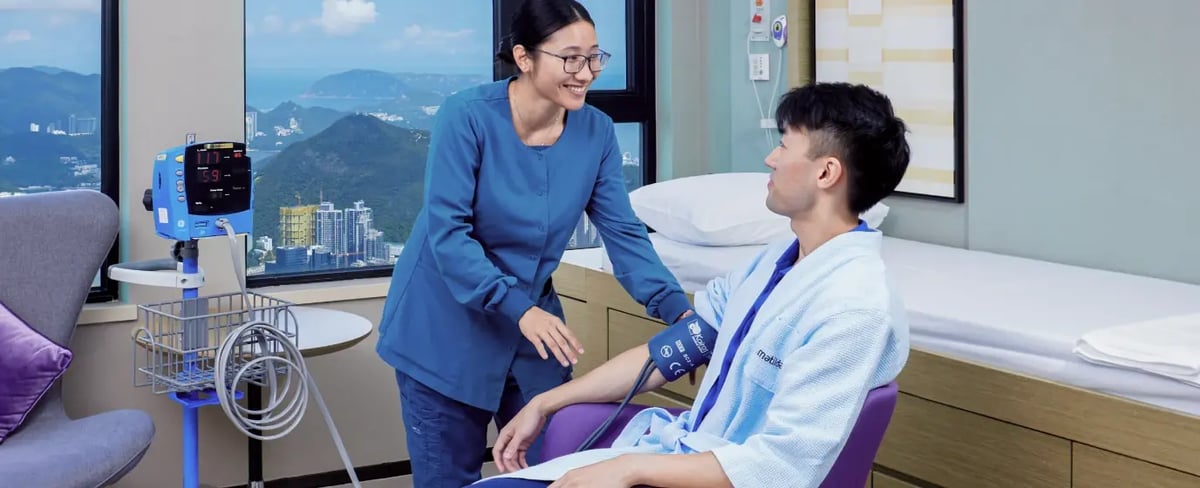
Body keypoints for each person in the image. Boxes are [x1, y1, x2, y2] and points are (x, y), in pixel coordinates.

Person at [474, 82, 914, 488]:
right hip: (689, 452)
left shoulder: (853, 310)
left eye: (784, 145)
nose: (771, 159)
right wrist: (545, 402)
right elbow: (668, 354)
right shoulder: (771, 264)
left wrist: (625, 468)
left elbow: (782, 466)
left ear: (826, 174)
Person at [373, 1, 693, 486]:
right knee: (447, 479)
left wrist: (679, 312)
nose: (585, 72)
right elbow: (448, 234)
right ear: (524, 58)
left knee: (556, 470)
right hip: (443, 330)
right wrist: (519, 308)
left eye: (594, 57)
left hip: (532, 335)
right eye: (570, 58)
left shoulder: (596, 131)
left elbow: (623, 233)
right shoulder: (467, 117)